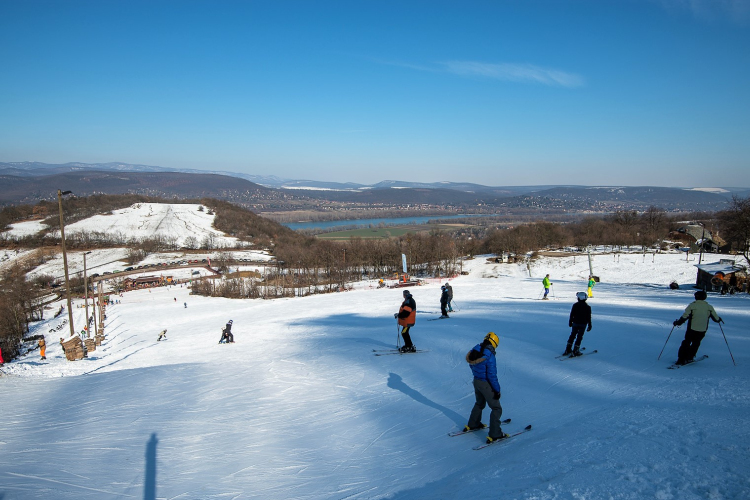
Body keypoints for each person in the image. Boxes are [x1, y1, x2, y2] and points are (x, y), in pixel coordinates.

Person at [465, 332, 508, 444]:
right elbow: (492, 376)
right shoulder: (489, 356)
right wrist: (497, 390)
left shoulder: (476, 349)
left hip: (476, 381)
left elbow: (471, 363)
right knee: (496, 408)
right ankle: (495, 434)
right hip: (485, 384)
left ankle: (473, 424)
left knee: (479, 403)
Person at [673, 290, 722, 365]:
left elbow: (685, 316)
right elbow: (716, 319)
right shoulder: (709, 307)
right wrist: (719, 320)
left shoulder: (692, 306)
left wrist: (678, 323)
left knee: (686, 342)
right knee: (696, 343)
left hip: (692, 328)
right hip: (702, 329)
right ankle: (690, 358)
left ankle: (681, 359)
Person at [564, 292, 592, 356]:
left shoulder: (575, 305)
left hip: (575, 323)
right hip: (583, 324)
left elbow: (572, 314)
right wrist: (589, 325)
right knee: (579, 337)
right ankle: (576, 350)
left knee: (572, 335)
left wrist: (570, 322)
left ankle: (568, 349)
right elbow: (588, 317)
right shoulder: (588, 307)